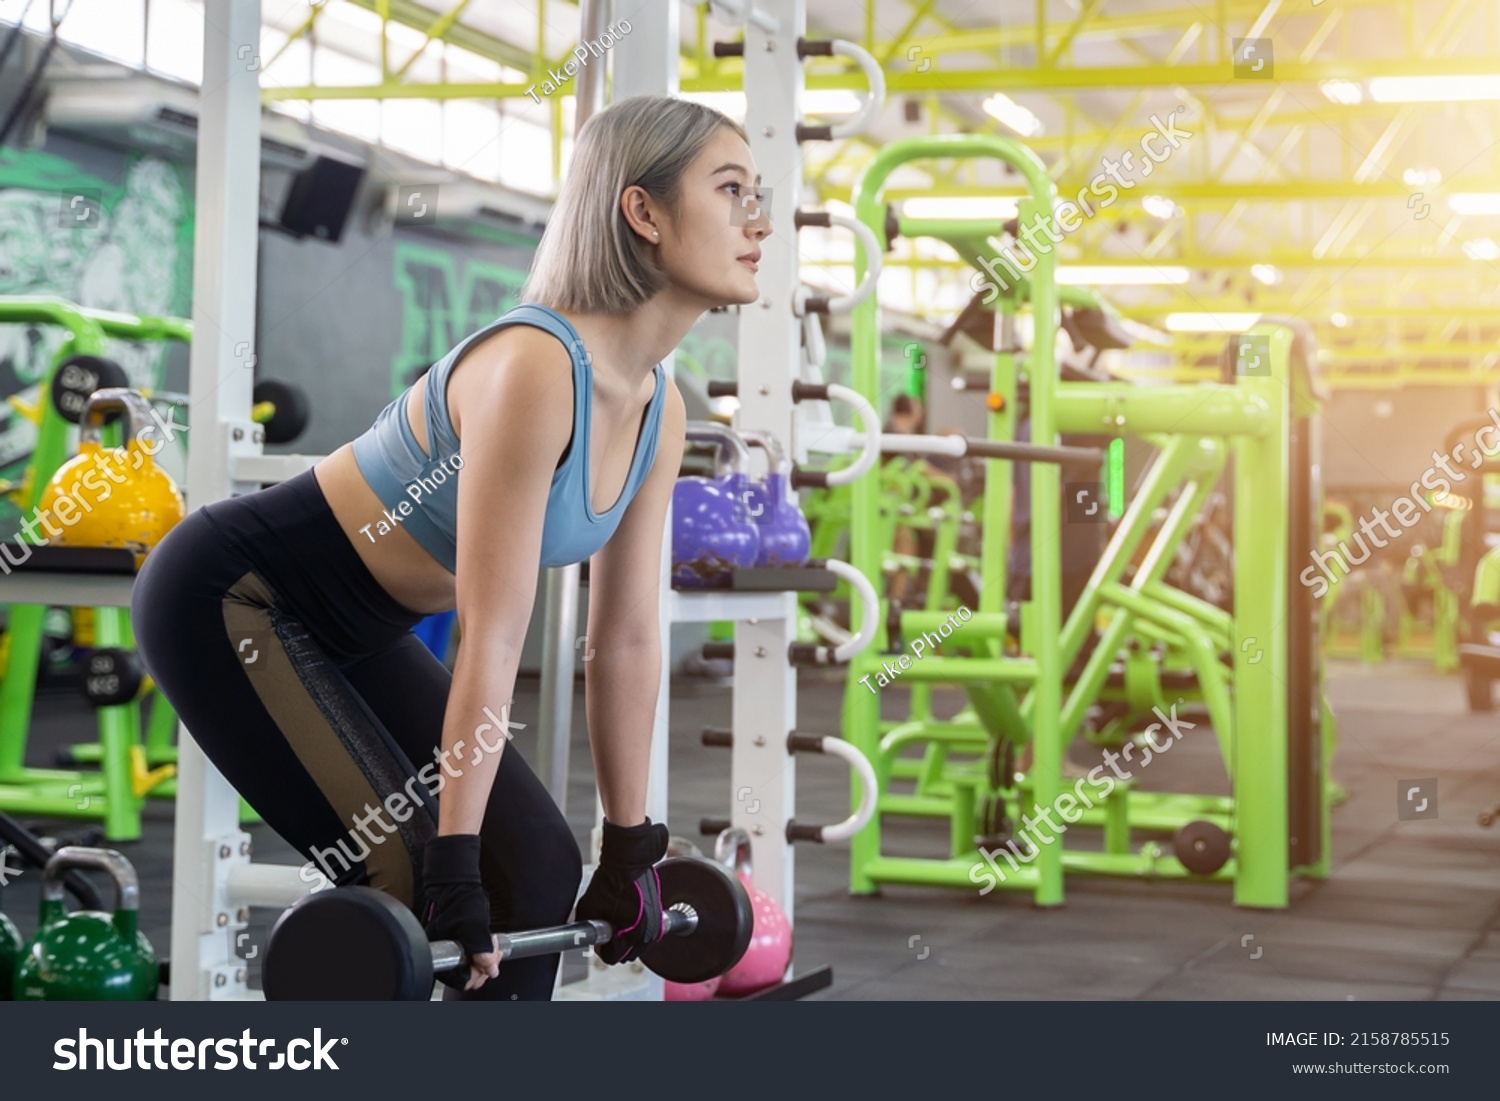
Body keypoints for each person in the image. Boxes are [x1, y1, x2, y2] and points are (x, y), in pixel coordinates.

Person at [131, 95, 771, 999]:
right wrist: (456, 863)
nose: (762, 222)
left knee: (541, 869)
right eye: (733, 190)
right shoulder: (537, 366)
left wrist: (631, 843)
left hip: (361, 628)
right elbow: (494, 632)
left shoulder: (660, 408)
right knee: (405, 877)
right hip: (237, 599)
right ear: (644, 211)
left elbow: (622, 636)